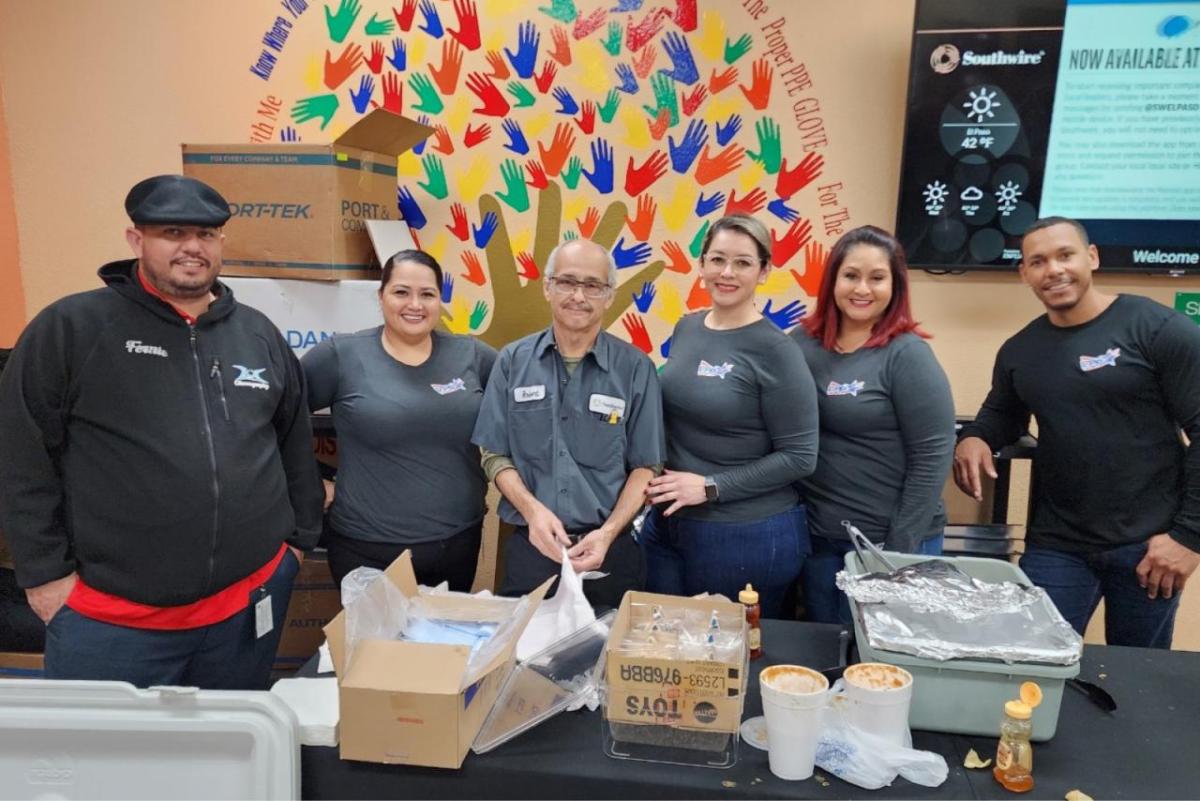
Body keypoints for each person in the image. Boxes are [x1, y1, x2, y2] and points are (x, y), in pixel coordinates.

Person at [0, 175, 323, 688]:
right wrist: (44, 578)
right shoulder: (72, 329)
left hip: (244, 608)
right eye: (173, 232)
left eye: (208, 234)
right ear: (137, 241)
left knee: (228, 757)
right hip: (111, 621)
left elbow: (291, 441)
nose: (192, 248)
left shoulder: (257, 332)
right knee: (109, 763)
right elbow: (21, 457)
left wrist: (296, 545)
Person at [955, 217, 1200, 648]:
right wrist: (975, 437)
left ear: (1092, 257)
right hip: (1057, 546)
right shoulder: (1020, 351)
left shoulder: (1157, 329)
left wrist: (1188, 538)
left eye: (1065, 255)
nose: (1054, 270)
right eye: (1038, 261)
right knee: (1032, 663)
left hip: (1150, 547)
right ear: (1025, 273)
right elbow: (1002, 415)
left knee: (1137, 680)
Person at [471, 239, 665, 610]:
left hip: (610, 553)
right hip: (532, 548)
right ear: (547, 287)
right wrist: (532, 512)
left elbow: (647, 466)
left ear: (609, 296)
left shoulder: (636, 368)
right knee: (525, 659)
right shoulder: (512, 361)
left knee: (610, 658)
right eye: (567, 282)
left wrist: (607, 534)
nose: (579, 295)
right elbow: (494, 454)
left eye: (593, 285)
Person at [641, 215, 819, 619]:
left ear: (764, 271)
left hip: (745, 535)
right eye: (717, 259)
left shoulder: (777, 351)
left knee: (728, 663)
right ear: (701, 265)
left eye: (742, 262)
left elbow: (800, 456)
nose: (727, 272)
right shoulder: (687, 328)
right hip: (669, 525)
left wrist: (710, 486)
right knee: (668, 652)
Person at [301, 250, 497, 591]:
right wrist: (311, 482)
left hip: (457, 543)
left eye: (427, 294)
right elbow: (276, 419)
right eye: (401, 292)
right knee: (374, 646)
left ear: (440, 299)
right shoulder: (341, 355)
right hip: (367, 549)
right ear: (381, 296)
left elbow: (523, 414)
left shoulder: (473, 356)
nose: (415, 304)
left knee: (444, 644)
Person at [790, 225, 956, 624]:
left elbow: (933, 454)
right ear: (833, 280)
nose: (862, 288)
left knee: (883, 666)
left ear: (894, 285)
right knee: (827, 653)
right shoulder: (802, 345)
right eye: (851, 275)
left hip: (889, 542)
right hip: (820, 538)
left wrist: (896, 553)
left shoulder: (907, 354)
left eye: (877, 278)